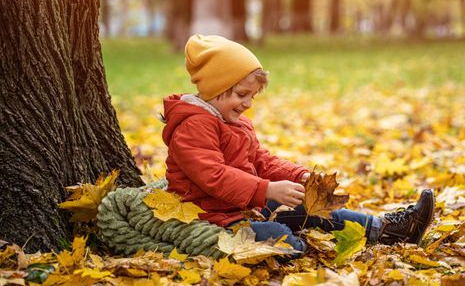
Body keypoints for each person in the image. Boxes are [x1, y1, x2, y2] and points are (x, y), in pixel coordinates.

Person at [162, 34, 435, 254]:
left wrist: (298, 176)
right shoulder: (193, 125)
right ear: (213, 88)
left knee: (311, 207)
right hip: (212, 216)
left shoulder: (235, 121)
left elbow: (261, 160)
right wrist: (266, 189)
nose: (247, 103)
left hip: (244, 207)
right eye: (242, 94)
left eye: (252, 97)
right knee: (281, 240)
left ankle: (388, 229)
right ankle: (301, 248)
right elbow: (214, 176)